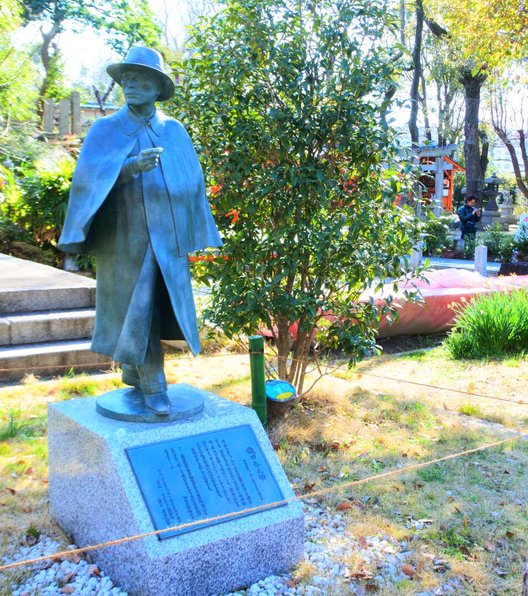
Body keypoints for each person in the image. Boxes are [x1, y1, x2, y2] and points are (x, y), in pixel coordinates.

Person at [58, 47, 222, 415]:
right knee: (138, 306)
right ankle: (154, 384)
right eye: (126, 80)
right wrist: (129, 167)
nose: (130, 86)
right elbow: (86, 183)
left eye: (140, 80)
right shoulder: (106, 129)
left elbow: (192, 183)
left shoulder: (173, 131)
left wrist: (190, 229)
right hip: (125, 241)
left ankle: (134, 371)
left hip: (167, 239)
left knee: (151, 309)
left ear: (156, 87)